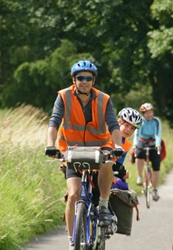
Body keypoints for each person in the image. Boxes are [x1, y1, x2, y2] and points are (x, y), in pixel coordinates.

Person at [45, 60, 123, 250]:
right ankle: (73, 242)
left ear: (93, 80)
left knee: (107, 160)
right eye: (80, 78)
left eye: (88, 78)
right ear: (74, 80)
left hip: (99, 146)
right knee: (73, 195)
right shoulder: (63, 97)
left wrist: (118, 145)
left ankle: (103, 205)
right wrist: (50, 145)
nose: (84, 81)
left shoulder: (104, 99)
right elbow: (54, 122)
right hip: (72, 149)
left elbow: (113, 125)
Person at [133, 103, 162, 201]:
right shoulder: (140, 121)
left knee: (156, 165)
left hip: (153, 142)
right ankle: (140, 176)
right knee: (139, 153)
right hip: (143, 141)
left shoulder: (156, 121)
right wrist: (135, 145)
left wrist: (158, 144)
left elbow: (158, 134)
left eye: (150, 112)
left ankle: (155, 189)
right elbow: (137, 134)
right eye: (147, 113)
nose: (149, 115)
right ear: (143, 114)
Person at [111, 107, 142, 190]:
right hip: (94, 169)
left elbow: (118, 164)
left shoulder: (127, 145)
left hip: (108, 173)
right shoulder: (106, 135)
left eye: (132, 128)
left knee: (123, 186)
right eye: (126, 125)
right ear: (118, 123)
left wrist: (122, 173)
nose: (129, 130)